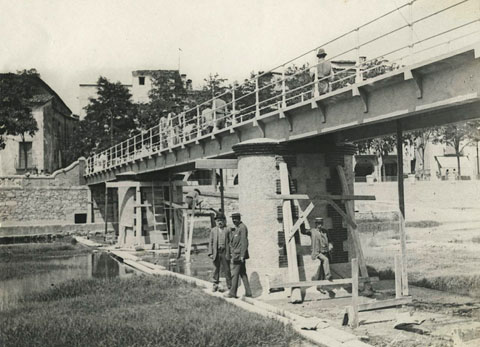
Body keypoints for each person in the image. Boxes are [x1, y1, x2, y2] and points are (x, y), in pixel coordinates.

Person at [225, 213, 252, 298]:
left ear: (239, 218)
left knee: (234, 274)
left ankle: (232, 293)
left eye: (235, 219)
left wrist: (242, 256)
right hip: (236, 254)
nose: (234, 220)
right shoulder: (236, 228)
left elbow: (244, 242)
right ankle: (248, 293)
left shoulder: (242, 227)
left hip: (239, 255)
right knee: (243, 273)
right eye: (233, 219)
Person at [304, 217, 333, 283]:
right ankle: (328, 276)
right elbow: (303, 231)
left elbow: (330, 240)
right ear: (316, 224)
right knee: (326, 260)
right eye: (318, 224)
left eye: (321, 224)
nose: (320, 226)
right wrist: (302, 221)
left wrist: (330, 245)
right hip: (317, 252)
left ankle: (319, 286)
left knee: (322, 270)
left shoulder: (325, 231)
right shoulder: (312, 231)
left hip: (325, 252)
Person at [208, 214, 232, 292]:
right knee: (215, 269)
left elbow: (231, 242)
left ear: (224, 221)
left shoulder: (227, 230)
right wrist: (210, 253)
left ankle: (229, 286)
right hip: (216, 252)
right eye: (218, 221)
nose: (220, 222)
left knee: (227, 269)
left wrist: (230, 252)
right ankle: (215, 285)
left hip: (225, 252)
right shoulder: (213, 230)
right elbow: (210, 242)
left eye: (221, 220)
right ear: (215, 221)